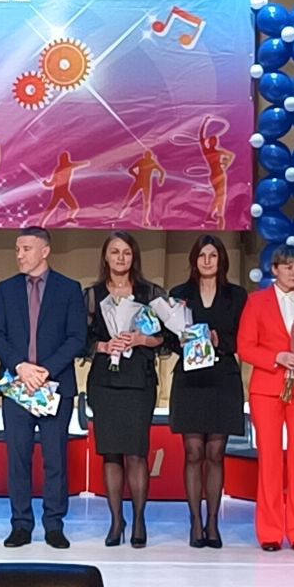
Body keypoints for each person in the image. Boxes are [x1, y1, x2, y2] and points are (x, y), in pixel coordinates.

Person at [0, 226, 86, 549]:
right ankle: (21, 524)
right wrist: (20, 366)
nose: (20, 255)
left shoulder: (69, 289)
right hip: (17, 386)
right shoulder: (6, 289)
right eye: (17, 249)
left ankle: (54, 524)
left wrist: (45, 370)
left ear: (45, 251)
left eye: (26, 249)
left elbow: (77, 337)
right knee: (18, 458)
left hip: (54, 386)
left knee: (55, 457)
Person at [237, 245, 294, 552]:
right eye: (288, 267)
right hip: (267, 389)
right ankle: (270, 532)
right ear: (274, 269)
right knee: (270, 461)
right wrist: (279, 356)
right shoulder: (257, 302)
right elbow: (246, 347)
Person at [82, 231, 166, 548]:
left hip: (139, 381)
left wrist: (142, 339)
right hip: (105, 382)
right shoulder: (92, 295)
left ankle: (139, 520)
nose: (120, 258)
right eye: (115, 252)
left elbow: (168, 337)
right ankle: (116, 521)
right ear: (106, 256)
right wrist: (102, 345)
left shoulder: (150, 293)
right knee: (111, 453)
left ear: (134, 257)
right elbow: (80, 338)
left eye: (126, 252)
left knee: (136, 452)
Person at [167, 235, 246, 549]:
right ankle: (195, 522)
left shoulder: (236, 295)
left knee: (215, 454)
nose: (208, 261)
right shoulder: (180, 295)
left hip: (222, 378)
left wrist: (218, 341)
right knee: (193, 452)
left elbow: (243, 338)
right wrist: (184, 340)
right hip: (190, 379)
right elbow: (168, 340)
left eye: (213, 255)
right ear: (194, 260)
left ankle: (213, 522)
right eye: (202, 255)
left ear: (221, 260)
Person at [39, 151, 90, 225]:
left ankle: (69, 218)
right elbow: (52, 183)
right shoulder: (59, 168)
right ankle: (41, 223)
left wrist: (86, 162)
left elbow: (79, 164)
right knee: (52, 207)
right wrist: (46, 183)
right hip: (58, 190)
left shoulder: (68, 166)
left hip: (63, 190)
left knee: (74, 207)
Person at [118, 150, 166, 227]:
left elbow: (162, 172)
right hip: (140, 183)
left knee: (145, 202)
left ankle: (145, 220)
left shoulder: (150, 162)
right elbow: (130, 170)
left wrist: (160, 179)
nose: (147, 157)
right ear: (146, 156)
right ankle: (122, 213)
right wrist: (136, 176)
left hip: (145, 184)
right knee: (131, 200)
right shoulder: (145, 162)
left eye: (148, 156)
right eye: (147, 156)